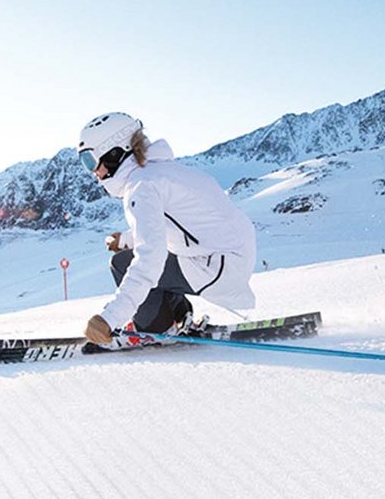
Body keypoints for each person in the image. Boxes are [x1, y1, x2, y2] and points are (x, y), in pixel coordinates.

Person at [77, 112, 257, 346]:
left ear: (114, 153)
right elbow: (178, 225)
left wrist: (110, 318)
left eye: (89, 160)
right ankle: (180, 317)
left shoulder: (141, 186)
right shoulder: (164, 172)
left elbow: (149, 258)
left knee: (122, 264)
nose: (92, 172)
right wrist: (127, 240)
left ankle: (154, 329)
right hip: (230, 256)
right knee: (157, 255)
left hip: (216, 265)